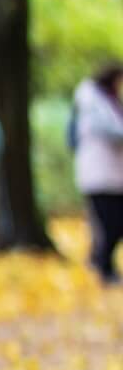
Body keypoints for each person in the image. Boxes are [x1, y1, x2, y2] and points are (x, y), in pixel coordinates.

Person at [72, 63, 123, 285]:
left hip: (113, 175)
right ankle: (102, 267)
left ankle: (100, 262)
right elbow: (112, 130)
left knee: (112, 223)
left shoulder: (109, 101)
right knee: (110, 224)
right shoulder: (93, 103)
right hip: (99, 175)